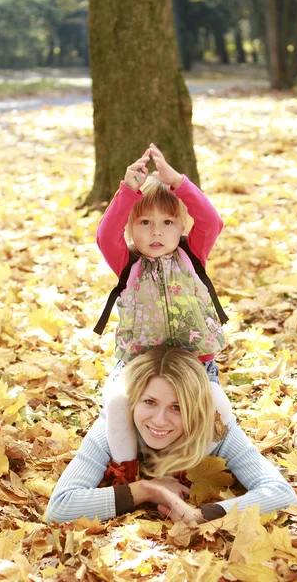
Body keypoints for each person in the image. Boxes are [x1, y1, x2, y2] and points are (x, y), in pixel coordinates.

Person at [95, 143, 232, 471]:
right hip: (139, 363)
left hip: (193, 362)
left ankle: (197, 466)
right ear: (131, 229)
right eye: (145, 223)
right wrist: (128, 190)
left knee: (219, 408)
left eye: (168, 222)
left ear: (181, 226)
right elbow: (104, 235)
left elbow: (212, 222)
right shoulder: (128, 261)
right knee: (116, 404)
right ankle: (126, 469)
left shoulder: (192, 254)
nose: (157, 231)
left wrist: (178, 183)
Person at [46, 346, 297, 524]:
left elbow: (280, 493)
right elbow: (60, 508)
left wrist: (205, 515)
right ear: (133, 402)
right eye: (150, 402)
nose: (159, 420)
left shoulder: (215, 429)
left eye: (177, 407)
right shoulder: (115, 426)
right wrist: (145, 490)